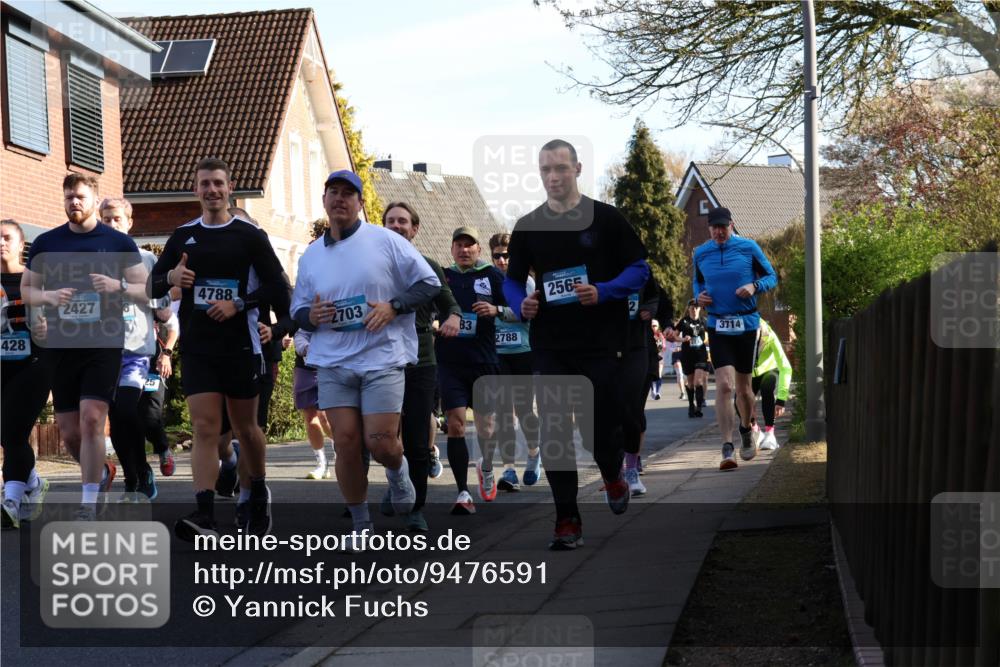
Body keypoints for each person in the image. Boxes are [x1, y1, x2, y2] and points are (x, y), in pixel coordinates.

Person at [503, 139, 650, 550]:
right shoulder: (529, 226)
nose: (553, 177)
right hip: (551, 343)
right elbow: (512, 280)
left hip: (603, 343)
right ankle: (566, 517)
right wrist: (522, 303)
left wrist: (603, 291)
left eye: (561, 169)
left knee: (599, 431)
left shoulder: (606, 219)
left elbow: (639, 270)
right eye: (546, 169)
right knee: (554, 429)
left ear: (578, 169)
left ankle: (611, 473)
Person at [291, 170, 438, 548]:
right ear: (324, 201)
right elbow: (299, 310)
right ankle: (360, 521)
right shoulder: (310, 255)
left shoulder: (386, 241)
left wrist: (394, 306)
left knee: (381, 442)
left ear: (359, 203)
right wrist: (312, 317)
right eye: (333, 193)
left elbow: (429, 283)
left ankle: (397, 471)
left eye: (348, 194)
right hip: (333, 361)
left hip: (382, 357)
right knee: (346, 441)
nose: (340, 199)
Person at [150, 157, 291, 539]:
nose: (212, 190)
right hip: (198, 348)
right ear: (195, 190)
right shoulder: (181, 236)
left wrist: (240, 303)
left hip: (241, 347)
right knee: (204, 428)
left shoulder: (248, 236)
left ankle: (256, 492)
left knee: (246, 429)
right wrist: (171, 276)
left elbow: (280, 289)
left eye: (218, 183)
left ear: (230, 189)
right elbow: (150, 285)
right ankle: (206, 513)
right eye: (205, 184)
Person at [21, 173, 146, 520]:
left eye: (79, 197)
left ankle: (88, 502)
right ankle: (101, 472)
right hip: (60, 347)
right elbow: (27, 289)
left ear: (94, 199)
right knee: (70, 433)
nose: (73, 202)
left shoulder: (118, 243)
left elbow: (143, 290)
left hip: (103, 342)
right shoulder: (47, 243)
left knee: (92, 420)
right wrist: (48, 296)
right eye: (68, 197)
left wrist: (115, 284)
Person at [383, 201, 461, 530]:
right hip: (380, 360)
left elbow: (448, 302)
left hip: (420, 361)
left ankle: (416, 508)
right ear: (383, 227)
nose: (398, 226)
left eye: (404, 222)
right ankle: (398, 482)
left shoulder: (426, 264)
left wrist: (454, 317)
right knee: (382, 436)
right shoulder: (370, 265)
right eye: (391, 221)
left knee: (416, 438)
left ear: (414, 229)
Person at [97, 197, 173, 501]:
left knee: (129, 411)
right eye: (106, 219)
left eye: (117, 219)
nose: (112, 224)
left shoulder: (146, 260)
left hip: (136, 351)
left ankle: (142, 471)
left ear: (130, 222)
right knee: (116, 419)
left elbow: (163, 307)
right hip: (102, 352)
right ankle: (132, 477)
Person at [692, 206, 778, 470]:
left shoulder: (748, 247)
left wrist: (755, 285)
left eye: (723, 227)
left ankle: (745, 428)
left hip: (746, 324)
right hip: (717, 324)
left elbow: (771, 277)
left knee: (744, 389)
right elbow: (697, 282)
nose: (719, 232)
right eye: (714, 227)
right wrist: (700, 297)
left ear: (732, 225)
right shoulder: (701, 253)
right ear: (709, 228)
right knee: (725, 386)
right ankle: (727, 446)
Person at [433, 226, 508, 513]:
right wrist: (435, 323)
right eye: (458, 245)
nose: (464, 250)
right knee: (455, 424)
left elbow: (515, 306)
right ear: (451, 250)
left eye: (469, 245)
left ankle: (486, 466)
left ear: (478, 250)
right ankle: (463, 492)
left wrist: (496, 311)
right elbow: (427, 307)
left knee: (486, 427)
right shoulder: (444, 277)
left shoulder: (491, 275)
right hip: (450, 362)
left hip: (484, 361)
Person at [1, 220, 52, 528]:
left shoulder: (36, 281)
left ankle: (11, 501)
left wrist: (49, 326)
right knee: (7, 434)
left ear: (22, 245)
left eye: (7, 237)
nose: (1, 242)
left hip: (33, 364)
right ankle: (32, 481)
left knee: (13, 433)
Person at [488, 232, 541, 490]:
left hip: (523, 351)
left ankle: (533, 453)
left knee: (523, 410)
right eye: (497, 255)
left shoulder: (526, 283)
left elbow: (525, 314)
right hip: (498, 354)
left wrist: (497, 311)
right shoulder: (487, 281)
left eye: (506, 255)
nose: (501, 261)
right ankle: (508, 469)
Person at [292, 329, 334, 479]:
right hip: (304, 366)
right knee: (310, 418)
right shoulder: (300, 306)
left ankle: (341, 446)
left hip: (330, 365)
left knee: (325, 417)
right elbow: (292, 325)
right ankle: (322, 464)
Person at [746, 318, 791, 450]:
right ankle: (756, 431)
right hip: (750, 374)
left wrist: (781, 399)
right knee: (740, 401)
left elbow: (785, 367)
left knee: (767, 388)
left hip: (769, 369)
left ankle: (770, 433)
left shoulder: (770, 337)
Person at [675, 300, 710, 417]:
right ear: (689, 308)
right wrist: (682, 339)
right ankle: (691, 405)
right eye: (692, 307)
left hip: (700, 354)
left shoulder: (704, 321)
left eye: (696, 307)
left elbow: (713, 335)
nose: (694, 309)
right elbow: (674, 335)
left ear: (700, 309)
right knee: (690, 383)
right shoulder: (684, 321)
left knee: (698, 381)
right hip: (687, 354)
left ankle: (699, 407)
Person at [650, 321, 667, 399]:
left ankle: (657, 392)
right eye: (652, 326)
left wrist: (658, 342)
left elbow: (663, 347)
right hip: (649, 357)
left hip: (659, 357)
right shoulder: (647, 334)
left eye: (655, 326)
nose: (653, 327)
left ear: (658, 326)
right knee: (650, 375)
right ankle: (652, 390)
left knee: (659, 374)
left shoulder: (660, 335)